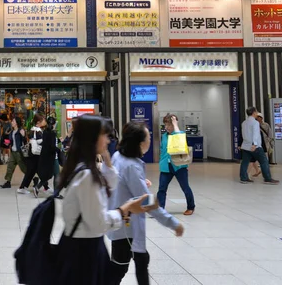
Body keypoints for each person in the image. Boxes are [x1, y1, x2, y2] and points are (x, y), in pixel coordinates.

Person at [57, 115, 150, 284]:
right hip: (83, 248)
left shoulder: (84, 167)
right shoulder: (86, 176)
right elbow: (98, 223)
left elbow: (108, 187)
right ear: (93, 138)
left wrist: (107, 161)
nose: (109, 140)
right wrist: (124, 210)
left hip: (85, 244)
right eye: (105, 135)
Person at [108, 121, 184, 285]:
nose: (151, 138)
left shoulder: (118, 156)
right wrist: (173, 223)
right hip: (127, 227)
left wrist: (139, 182)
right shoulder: (131, 166)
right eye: (148, 135)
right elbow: (148, 202)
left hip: (122, 223)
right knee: (120, 268)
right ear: (140, 142)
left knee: (140, 261)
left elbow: (119, 182)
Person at [157, 114, 196, 215]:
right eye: (165, 125)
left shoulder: (180, 134)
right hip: (166, 165)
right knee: (162, 188)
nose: (166, 127)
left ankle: (191, 207)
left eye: (169, 125)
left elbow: (180, 142)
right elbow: (162, 149)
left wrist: (175, 124)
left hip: (179, 166)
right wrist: (161, 160)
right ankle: (160, 209)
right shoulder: (164, 136)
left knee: (185, 187)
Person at [240, 107, 279, 185]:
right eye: (256, 111)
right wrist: (254, 144)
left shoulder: (244, 123)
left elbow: (244, 135)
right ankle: (267, 178)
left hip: (245, 146)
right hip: (255, 146)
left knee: (245, 162)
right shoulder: (255, 123)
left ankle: (243, 178)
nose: (257, 113)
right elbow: (255, 134)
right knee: (264, 161)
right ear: (254, 113)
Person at [32, 116, 60, 197]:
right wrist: (58, 150)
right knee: (57, 175)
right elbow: (52, 146)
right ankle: (56, 194)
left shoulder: (45, 132)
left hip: (46, 156)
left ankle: (37, 187)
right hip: (53, 157)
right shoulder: (52, 133)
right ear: (54, 124)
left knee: (49, 174)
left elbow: (47, 144)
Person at [18, 114, 45, 195]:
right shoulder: (38, 130)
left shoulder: (33, 129)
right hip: (36, 153)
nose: (44, 121)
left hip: (32, 153)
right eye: (43, 120)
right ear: (38, 122)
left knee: (32, 171)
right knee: (34, 171)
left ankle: (24, 187)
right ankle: (23, 187)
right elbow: (40, 141)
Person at [0, 116, 27, 189]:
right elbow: (11, 141)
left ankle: (34, 179)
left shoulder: (21, 131)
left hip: (19, 153)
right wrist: (8, 143)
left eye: (13, 121)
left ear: (17, 123)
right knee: (10, 167)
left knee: (24, 168)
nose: (11, 122)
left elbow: (25, 142)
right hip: (13, 152)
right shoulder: (11, 132)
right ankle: (8, 182)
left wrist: (24, 136)